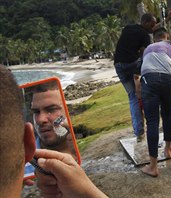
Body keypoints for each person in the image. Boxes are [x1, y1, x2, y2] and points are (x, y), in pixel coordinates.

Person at [0, 65, 107, 198]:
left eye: (51, 109)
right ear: (28, 138)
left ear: (68, 113)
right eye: (36, 112)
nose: (40, 119)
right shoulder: (23, 167)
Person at [114, 12, 171, 142]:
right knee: (147, 93)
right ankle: (152, 118)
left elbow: (151, 28)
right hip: (133, 64)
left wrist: (167, 19)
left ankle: (139, 132)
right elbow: (148, 53)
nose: (153, 27)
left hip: (118, 65)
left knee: (132, 97)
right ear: (146, 23)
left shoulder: (128, 28)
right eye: (152, 25)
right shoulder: (144, 35)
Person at [140, 27, 171, 177]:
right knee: (167, 114)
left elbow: (143, 69)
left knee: (152, 121)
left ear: (154, 38)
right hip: (168, 79)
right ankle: (168, 150)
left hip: (149, 79)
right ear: (167, 36)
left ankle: (153, 167)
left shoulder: (147, 49)